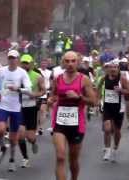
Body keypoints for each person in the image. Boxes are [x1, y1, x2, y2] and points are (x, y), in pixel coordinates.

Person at [48, 51, 96, 180]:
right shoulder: (58, 78)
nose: (70, 64)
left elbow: (93, 102)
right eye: (67, 61)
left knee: (73, 160)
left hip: (76, 123)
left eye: (73, 61)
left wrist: (79, 97)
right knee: (60, 157)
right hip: (59, 122)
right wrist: (51, 100)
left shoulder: (83, 79)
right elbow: (53, 95)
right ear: (63, 62)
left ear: (77, 62)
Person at [0, 50, 31, 172]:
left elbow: (28, 88)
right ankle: (3, 147)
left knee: (14, 138)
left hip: (16, 108)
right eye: (10, 58)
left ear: (17, 59)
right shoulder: (1, 70)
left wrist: (18, 89)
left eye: (14, 58)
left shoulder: (22, 73)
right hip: (4, 105)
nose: (12, 60)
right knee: (1, 130)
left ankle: (12, 160)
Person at [98, 61, 129, 162]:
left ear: (118, 69)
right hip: (107, 107)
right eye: (111, 67)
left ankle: (115, 147)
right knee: (107, 129)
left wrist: (121, 90)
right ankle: (107, 150)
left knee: (117, 131)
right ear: (108, 69)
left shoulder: (122, 79)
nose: (113, 69)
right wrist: (97, 100)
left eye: (115, 67)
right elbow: (98, 88)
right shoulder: (104, 78)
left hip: (119, 108)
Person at [18, 54, 46, 168]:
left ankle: (33, 142)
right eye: (23, 62)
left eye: (27, 63)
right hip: (19, 107)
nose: (25, 65)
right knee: (20, 134)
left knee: (30, 137)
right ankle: (25, 158)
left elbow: (43, 91)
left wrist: (35, 94)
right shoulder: (17, 75)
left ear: (31, 63)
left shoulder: (37, 76)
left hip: (31, 107)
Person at [38, 58, 52, 135]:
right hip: (37, 93)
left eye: (45, 63)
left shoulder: (50, 72)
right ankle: (37, 125)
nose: (44, 64)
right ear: (40, 64)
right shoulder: (37, 71)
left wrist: (50, 88)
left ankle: (40, 127)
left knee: (43, 110)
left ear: (47, 64)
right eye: (42, 63)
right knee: (38, 111)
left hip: (45, 93)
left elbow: (51, 82)